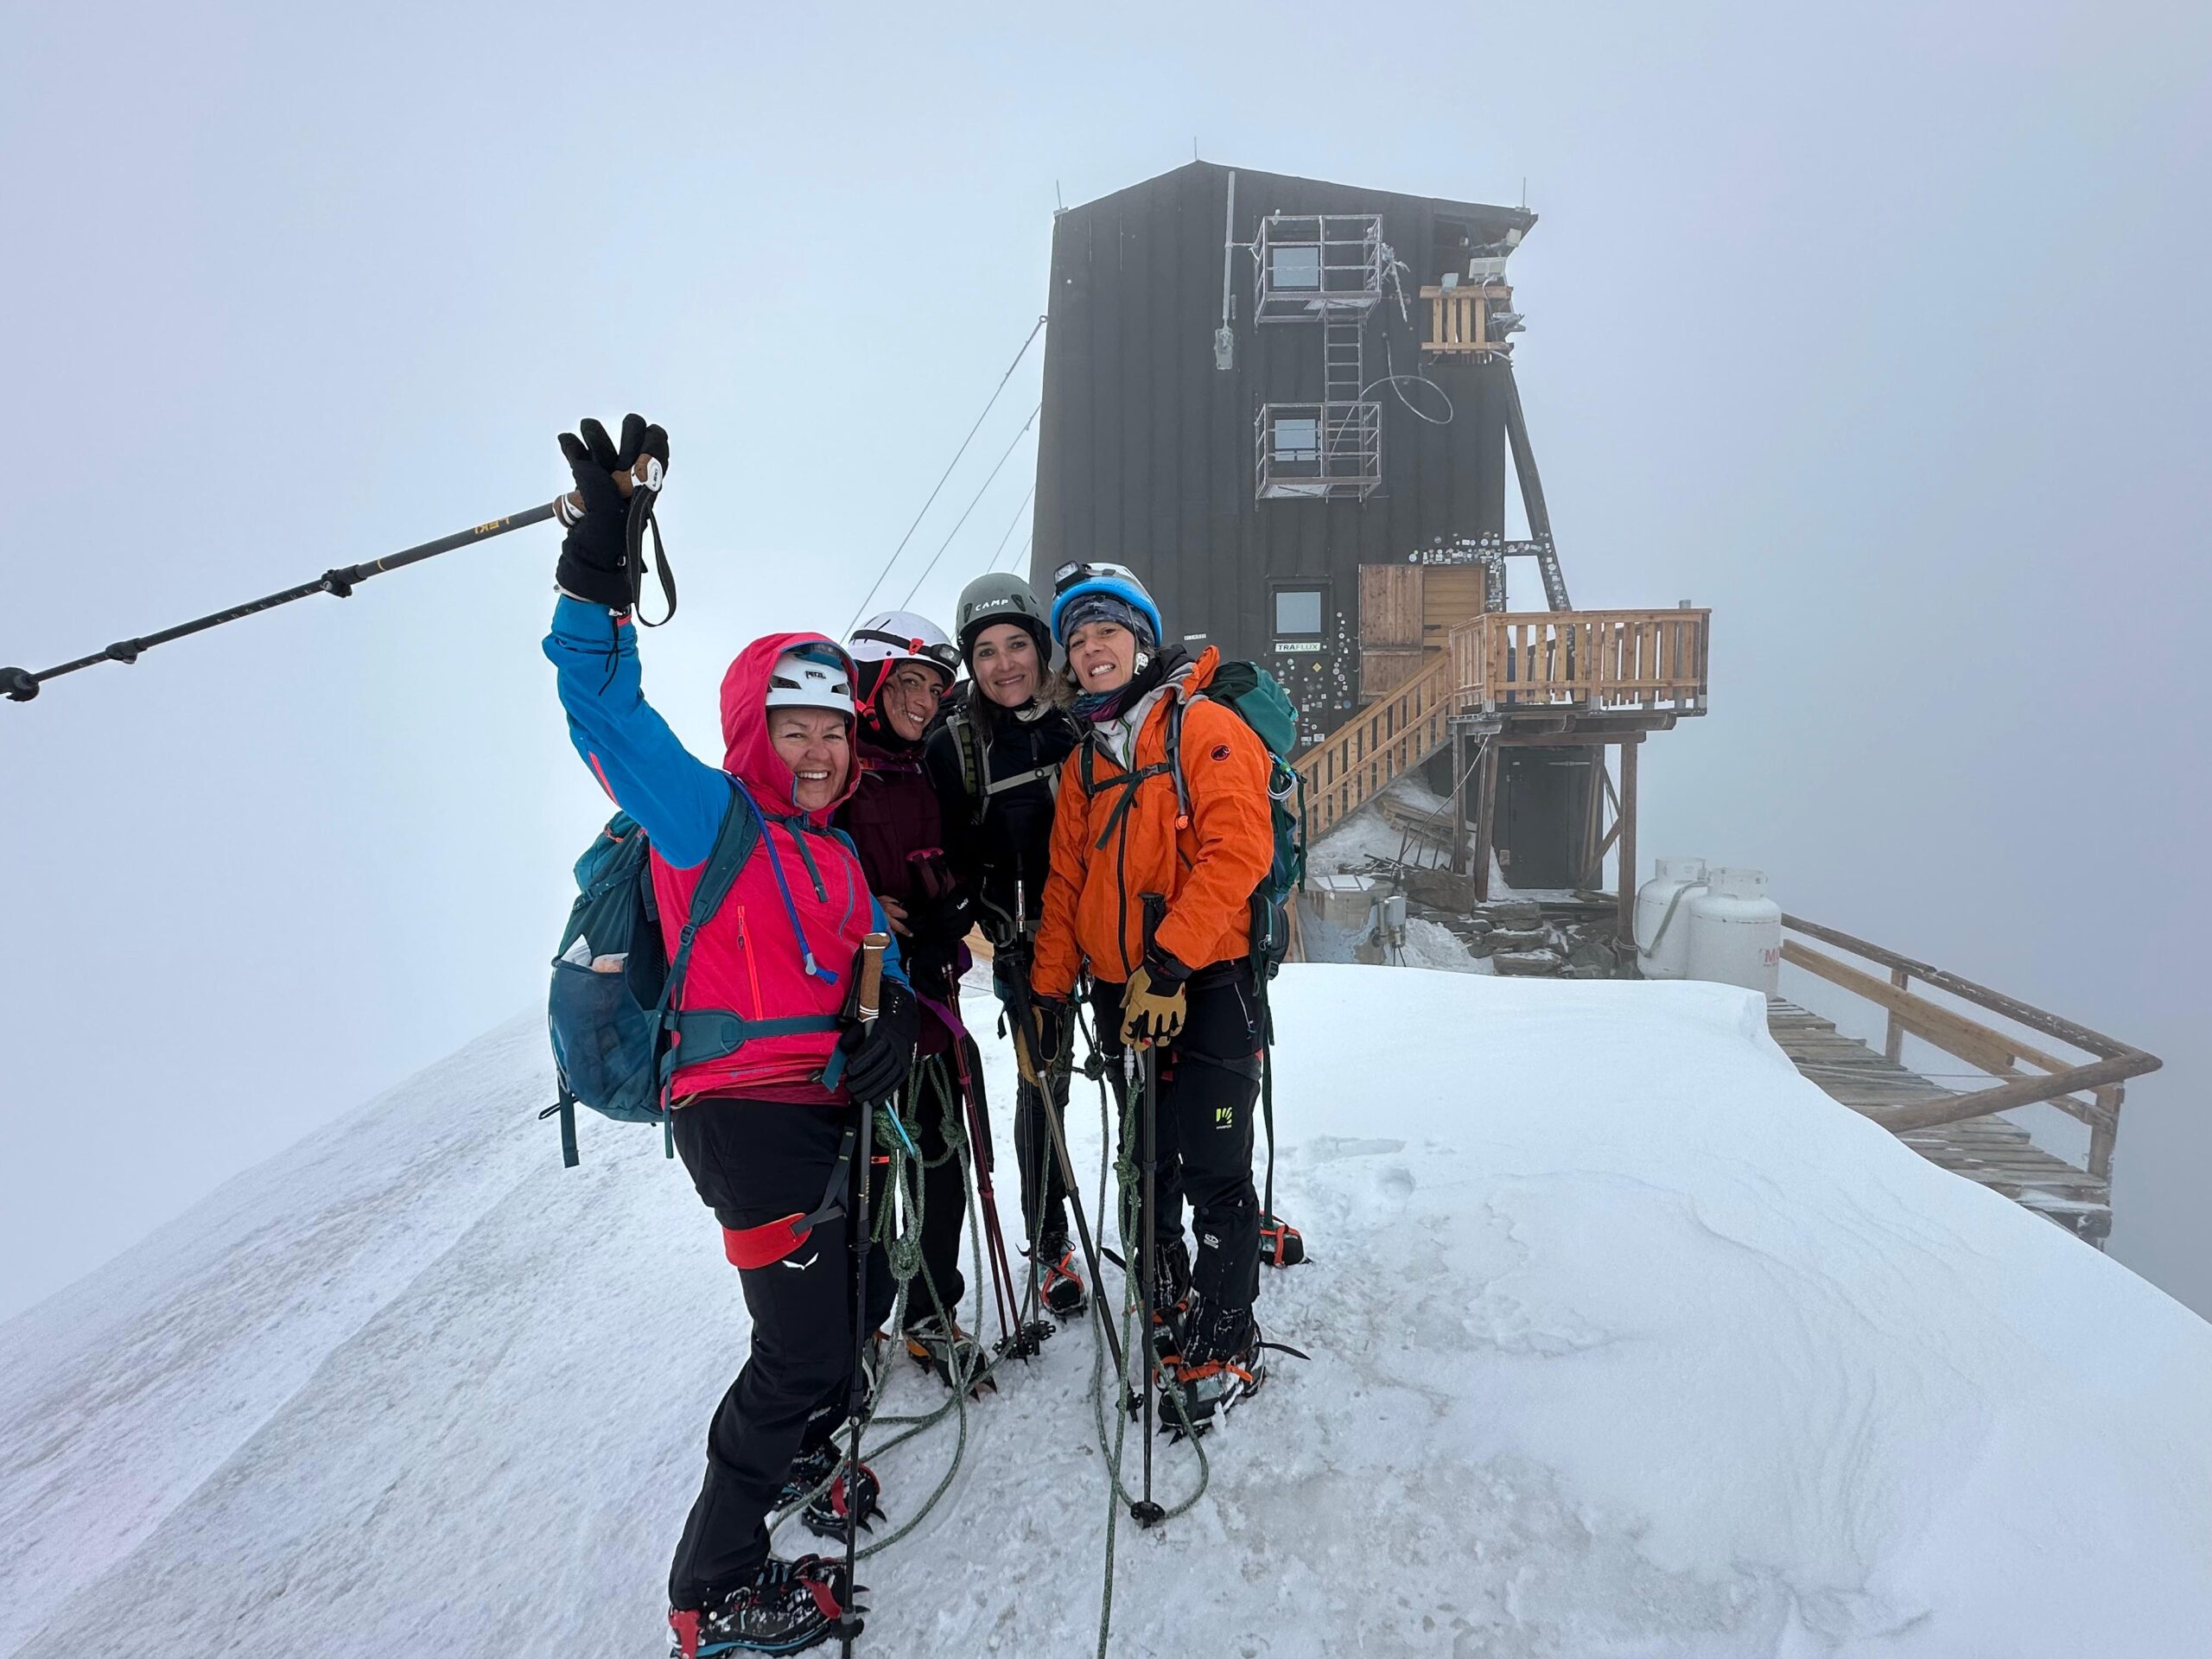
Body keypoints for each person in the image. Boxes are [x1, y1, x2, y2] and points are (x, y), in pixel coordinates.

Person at [542, 415, 918, 1658]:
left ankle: (806, 1461)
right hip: (744, 1122)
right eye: (794, 725)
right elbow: (599, 701)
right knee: (798, 1348)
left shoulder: (842, 861)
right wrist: (606, 550)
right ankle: (712, 1585)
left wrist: (893, 1025)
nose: (817, 751)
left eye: (833, 732)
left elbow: (881, 969)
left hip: (828, 1111)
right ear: (757, 728)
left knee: (852, 1311)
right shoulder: (709, 817)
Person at [1020, 562, 1276, 1420]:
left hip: (1204, 984)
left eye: (1107, 632)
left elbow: (1238, 855)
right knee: (1148, 1161)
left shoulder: (1201, 727)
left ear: (1141, 639)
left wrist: (1166, 967)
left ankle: (1227, 1336)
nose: (1092, 649)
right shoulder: (1088, 763)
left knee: (1213, 1169)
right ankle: (1167, 1292)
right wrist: (1049, 998)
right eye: (1078, 638)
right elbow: (1064, 885)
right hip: (1119, 997)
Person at [923, 572, 1088, 1316]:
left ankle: (1159, 1230)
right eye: (984, 652)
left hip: (1103, 932)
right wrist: (967, 909)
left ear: (1041, 648)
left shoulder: (1082, 723)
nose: (1003, 665)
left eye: (1017, 645)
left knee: (1131, 1077)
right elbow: (937, 849)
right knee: (1043, 1086)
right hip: (1023, 944)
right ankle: (1051, 1241)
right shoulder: (955, 743)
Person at [836, 610, 982, 1387]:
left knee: (941, 1157)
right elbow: (806, 866)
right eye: (910, 684)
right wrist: (862, 905)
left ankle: (928, 1308)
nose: (924, 700)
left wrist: (951, 903)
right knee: (867, 1167)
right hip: (856, 1009)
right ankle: (854, 1327)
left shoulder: (920, 766)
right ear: (870, 681)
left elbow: (941, 858)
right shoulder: (838, 764)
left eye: (933, 687)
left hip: (929, 991)